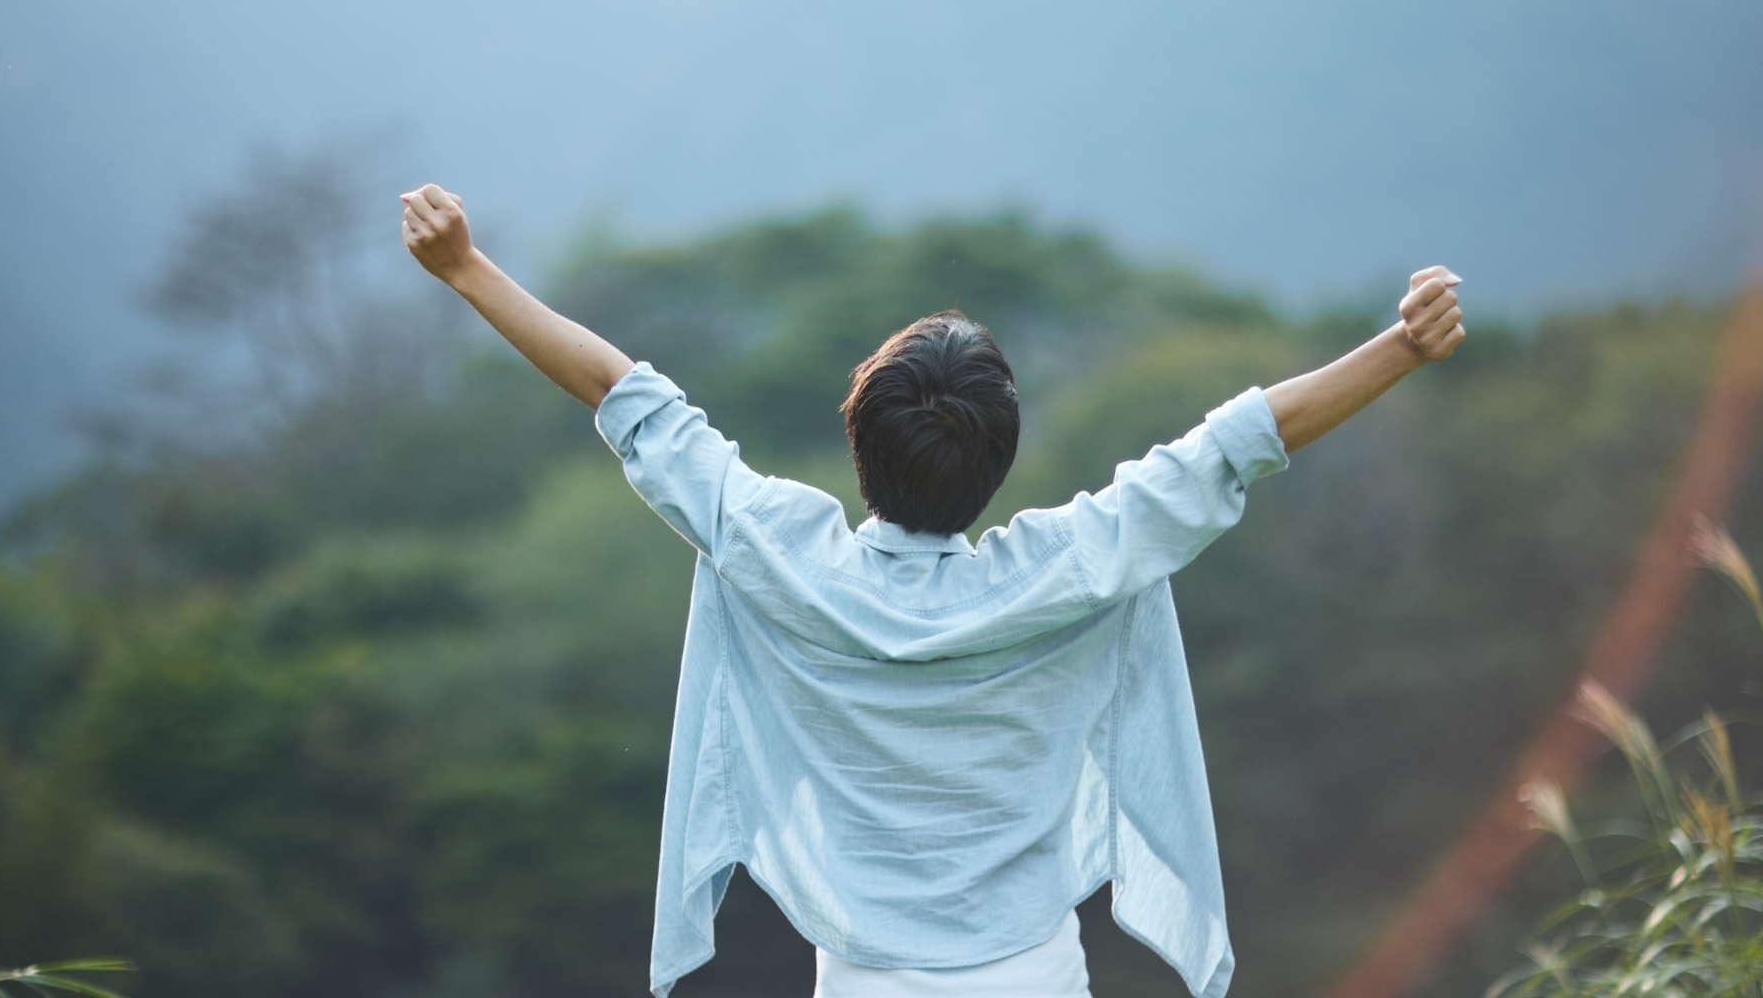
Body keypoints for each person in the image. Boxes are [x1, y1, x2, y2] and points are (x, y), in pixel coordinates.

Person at [401, 184, 1465, 998]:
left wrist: (466, 269)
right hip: (1036, 977)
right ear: (998, 458)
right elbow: (1234, 447)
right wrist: (1401, 348)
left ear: (858, 437)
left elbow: (622, 393)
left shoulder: (784, 556)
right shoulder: (1066, 568)